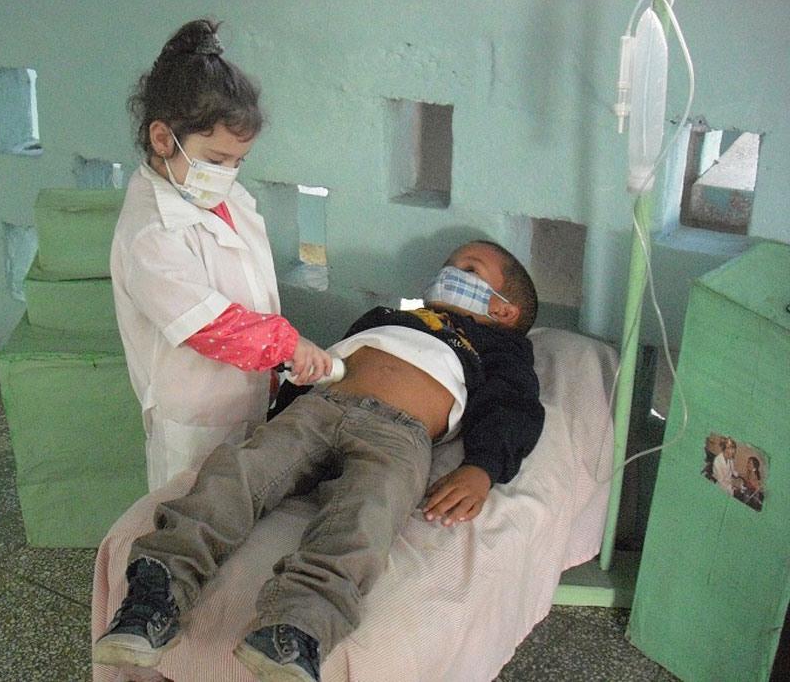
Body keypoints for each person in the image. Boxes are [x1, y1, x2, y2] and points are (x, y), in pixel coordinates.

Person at [93, 240, 546, 682]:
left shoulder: (499, 347)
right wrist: (281, 409)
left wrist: (483, 468)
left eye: (469, 269)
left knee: (370, 514)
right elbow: (317, 365)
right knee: (236, 473)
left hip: (400, 435)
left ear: (504, 310)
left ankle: (297, 627)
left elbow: (513, 407)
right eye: (450, 264)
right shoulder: (389, 317)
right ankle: (155, 595)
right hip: (320, 408)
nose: (449, 272)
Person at [111, 19, 331, 490]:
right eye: (215, 160)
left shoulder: (212, 195)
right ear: (162, 139)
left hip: (245, 392)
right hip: (196, 414)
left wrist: (278, 356)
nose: (228, 174)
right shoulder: (151, 232)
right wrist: (287, 345)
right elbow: (209, 327)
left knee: (236, 503)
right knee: (189, 508)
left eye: (238, 162)